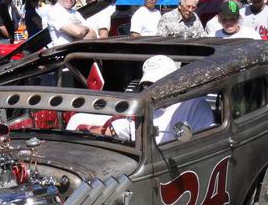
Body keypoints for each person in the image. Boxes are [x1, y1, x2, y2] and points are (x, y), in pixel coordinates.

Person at [66, 55, 215, 144]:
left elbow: (204, 145)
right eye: (147, 84)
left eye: (157, 84)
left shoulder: (195, 106)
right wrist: (87, 133)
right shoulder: (141, 108)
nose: (151, 89)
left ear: (172, 83)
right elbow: (117, 129)